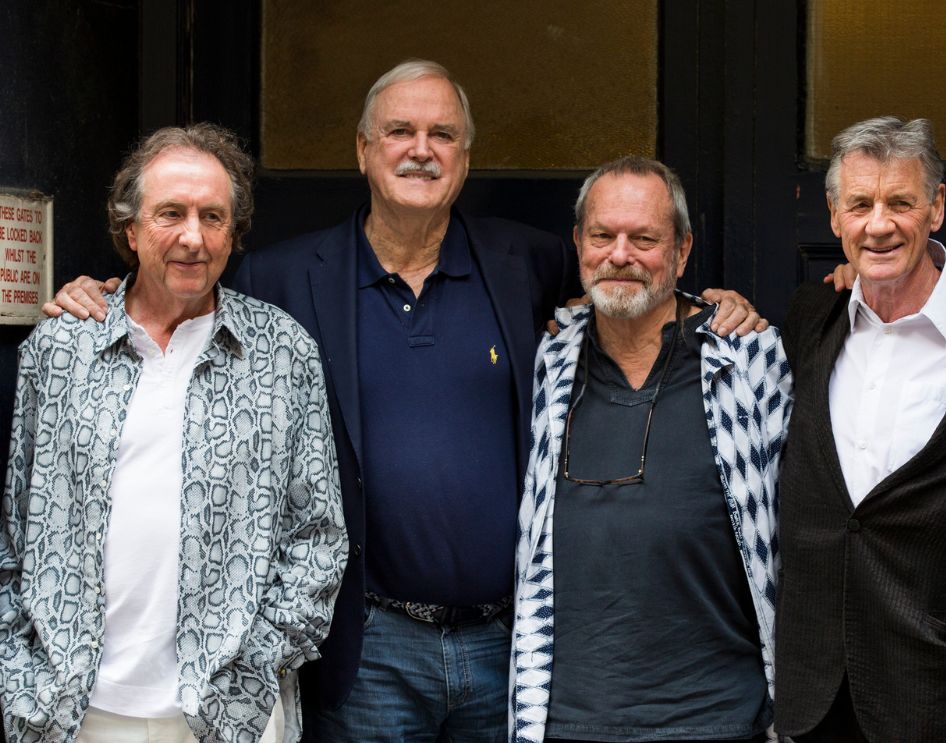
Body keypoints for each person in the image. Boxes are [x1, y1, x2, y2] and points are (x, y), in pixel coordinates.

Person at [46, 60, 763, 741]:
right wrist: (104, 293)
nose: (421, 150)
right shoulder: (281, 278)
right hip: (371, 647)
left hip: (505, 642)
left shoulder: (527, 263)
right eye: (400, 132)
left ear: (465, 156)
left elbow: (627, 286)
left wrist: (720, 305)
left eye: (442, 135)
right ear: (362, 149)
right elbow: (179, 288)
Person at [0, 123, 346, 742]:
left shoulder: (282, 352)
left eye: (213, 217)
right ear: (130, 231)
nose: (193, 237)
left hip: (228, 711)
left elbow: (317, 534)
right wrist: (20, 675)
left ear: (233, 235)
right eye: (171, 213)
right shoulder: (60, 349)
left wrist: (255, 667)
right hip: (76, 709)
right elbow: (13, 531)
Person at [511, 156, 791, 743]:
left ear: (682, 251)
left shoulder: (746, 358)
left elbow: (802, 517)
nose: (620, 256)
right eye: (603, 236)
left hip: (720, 719)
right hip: (566, 722)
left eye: (644, 239)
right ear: (578, 244)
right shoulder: (547, 361)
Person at [774, 117, 946, 741]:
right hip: (815, 694)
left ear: (936, 207)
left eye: (900, 202)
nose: (879, 224)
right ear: (835, 216)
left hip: (943, 693)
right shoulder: (811, 317)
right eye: (859, 204)